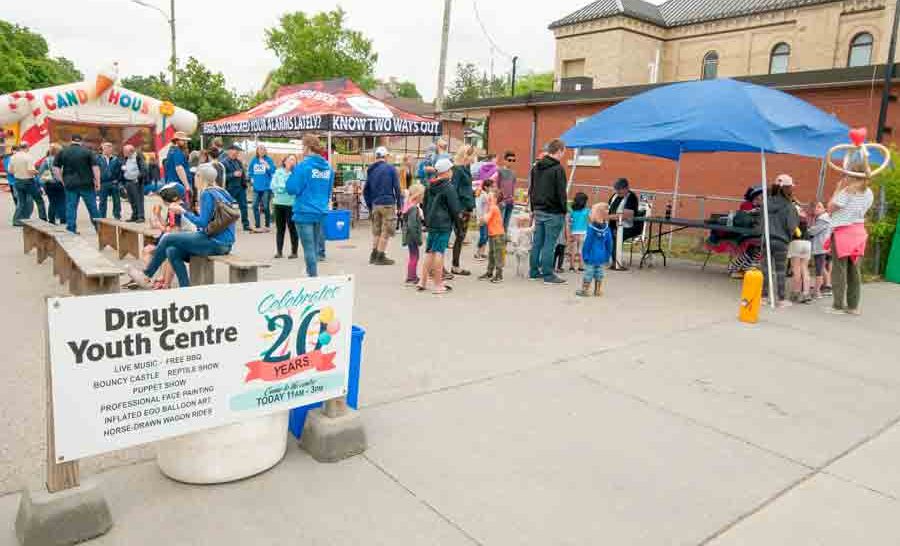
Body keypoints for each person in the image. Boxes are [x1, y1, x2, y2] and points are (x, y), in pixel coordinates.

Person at [127, 164, 236, 289]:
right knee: (172, 251)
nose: (194, 178)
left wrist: (183, 211)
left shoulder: (206, 194)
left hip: (215, 242)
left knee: (168, 238)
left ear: (200, 177)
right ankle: (185, 288)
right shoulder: (221, 191)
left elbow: (202, 223)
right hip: (225, 244)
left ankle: (146, 275)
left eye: (196, 175)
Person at [827, 163, 874, 315]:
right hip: (858, 232)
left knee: (839, 270)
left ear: (853, 175)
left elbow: (830, 208)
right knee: (854, 271)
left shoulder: (846, 191)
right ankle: (853, 306)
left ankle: (837, 306)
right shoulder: (869, 193)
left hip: (843, 232)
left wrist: (837, 189)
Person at [286, 134, 333, 278]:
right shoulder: (328, 167)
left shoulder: (303, 166)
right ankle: (310, 272)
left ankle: (313, 277)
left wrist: (291, 173)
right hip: (320, 211)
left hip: (304, 212)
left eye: (302, 146)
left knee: (309, 249)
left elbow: (292, 189)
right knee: (314, 247)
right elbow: (328, 190)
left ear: (307, 147)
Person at [528, 138, 569, 284]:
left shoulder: (536, 167)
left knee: (537, 243)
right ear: (559, 151)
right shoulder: (558, 169)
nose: (564, 155)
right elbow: (561, 193)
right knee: (549, 244)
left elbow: (532, 189)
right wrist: (564, 210)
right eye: (563, 152)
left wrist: (533, 208)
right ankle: (548, 275)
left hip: (538, 209)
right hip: (554, 212)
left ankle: (533, 272)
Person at [420, 158, 460, 294]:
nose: (452, 172)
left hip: (432, 222)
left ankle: (422, 281)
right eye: (451, 169)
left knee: (429, 251)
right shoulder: (448, 187)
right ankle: (438, 284)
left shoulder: (430, 185)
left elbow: (424, 205)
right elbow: (454, 208)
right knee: (439, 252)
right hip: (443, 223)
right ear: (447, 171)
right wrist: (458, 225)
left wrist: (427, 220)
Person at [761, 174, 800, 308]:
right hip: (781, 241)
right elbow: (792, 226)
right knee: (781, 271)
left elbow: (760, 221)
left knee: (765, 269)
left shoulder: (766, 202)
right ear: (789, 188)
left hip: (766, 239)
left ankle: (764, 297)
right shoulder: (789, 205)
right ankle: (781, 299)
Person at [140, 182, 186, 290]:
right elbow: (169, 225)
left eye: (163, 198)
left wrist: (159, 226)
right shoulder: (172, 208)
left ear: (173, 198)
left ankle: (163, 281)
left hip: (176, 242)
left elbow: (174, 233)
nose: (162, 201)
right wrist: (158, 216)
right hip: (168, 240)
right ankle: (151, 279)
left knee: (167, 253)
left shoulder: (177, 209)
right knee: (147, 250)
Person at [54, 135, 101, 234]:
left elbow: (56, 168)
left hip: (70, 184)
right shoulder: (88, 152)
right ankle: (99, 228)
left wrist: (62, 180)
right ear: (81, 142)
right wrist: (98, 182)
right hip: (87, 184)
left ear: (71, 141)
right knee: (92, 207)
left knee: (71, 207)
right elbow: (95, 168)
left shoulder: (63, 152)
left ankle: (71, 229)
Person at [363, 146, 402, 265]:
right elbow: (397, 188)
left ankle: (373, 255)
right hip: (387, 204)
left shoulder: (371, 170)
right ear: (386, 156)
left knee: (377, 231)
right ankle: (380, 256)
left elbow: (366, 190)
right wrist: (399, 205)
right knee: (386, 231)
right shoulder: (391, 168)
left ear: (376, 156)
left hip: (375, 204)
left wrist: (370, 206)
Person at [577, 203, 614, 297]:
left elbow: (587, 243)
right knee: (599, 273)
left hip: (591, 256)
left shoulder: (591, 228)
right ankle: (597, 290)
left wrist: (584, 255)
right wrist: (607, 255)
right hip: (602, 257)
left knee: (588, 273)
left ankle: (585, 290)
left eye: (591, 212)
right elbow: (609, 243)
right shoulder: (607, 229)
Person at [450, 145, 477, 275]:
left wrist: (472, 193)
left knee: (460, 237)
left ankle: (455, 265)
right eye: (473, 155)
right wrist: (457, 209)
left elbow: (464, 188)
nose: (474, 158)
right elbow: (454, 189)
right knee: (459, 236)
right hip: (461, 208)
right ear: (466, 155)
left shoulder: (466, 169)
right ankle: (455, 266)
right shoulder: (458, 169)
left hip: (467, 206)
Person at [607, 178, 642, 269]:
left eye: (620, 189)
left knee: (615, 237)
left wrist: (608, 217)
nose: (618, 191)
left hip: (628, 227)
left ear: (626, 188)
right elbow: (607, 209)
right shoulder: (615, 196)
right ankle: (598, 258)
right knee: (600, 233)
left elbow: (627, 215)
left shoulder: (631, 197)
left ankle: (616, 263)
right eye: (616, 189)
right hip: (612, 225)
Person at [271, 155, 299, 259]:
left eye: (294, 160)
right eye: (290, 159)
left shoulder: (296, 174)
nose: (292, 161)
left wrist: (281, 188)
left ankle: (294, 252)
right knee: (280, 229)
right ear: (285, 161)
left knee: (292, 228)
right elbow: (273, 186)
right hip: (278, 203)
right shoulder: (278, 172)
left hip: (291, 204)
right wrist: (284, 188)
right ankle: (279, 252)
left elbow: (295, 188)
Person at [478, 189, 506, 283]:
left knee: (498, 255)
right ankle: (489, 272)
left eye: (490, 196)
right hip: (492, 234)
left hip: (498, 235)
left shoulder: (493, 208)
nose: (488, 198)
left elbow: (485, 220)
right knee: (491, 254)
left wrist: (481, 218)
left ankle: (499, 275)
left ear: (496, 199)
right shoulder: (491, 207)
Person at [221, 144, 251, 232]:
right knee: (228, 207)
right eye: (236, 151)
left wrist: (245, 180)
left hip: (240, 187)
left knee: (244, 206)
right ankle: (226, 225)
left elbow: (242, 173)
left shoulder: (238, 162)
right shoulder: (223, 162)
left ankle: (246, 225)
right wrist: (233, 174)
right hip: (230, 188)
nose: (237, 153)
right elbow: (222, 177)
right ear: (230, 151)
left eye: (238, 152)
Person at [402, 183, 425, 287]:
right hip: (412, 236)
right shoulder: (414, 209)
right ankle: (411, 277)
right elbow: (412, 225)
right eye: (422, 195)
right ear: (418, 195)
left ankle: (412, 276)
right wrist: (417, 239)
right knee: (414, 256)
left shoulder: (408, 205)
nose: (423, 197)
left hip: (409, 235)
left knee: (413, 256)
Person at [788, 205, 813, 304]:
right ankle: (806, 293)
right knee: (805, 268)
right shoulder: (805, 218)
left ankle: (796, 292)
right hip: (807, 243)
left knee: (796, 269)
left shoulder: (792, 218)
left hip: (796, 243)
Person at [808, 202, 833, 299]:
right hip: (823, 246)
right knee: (822, 268)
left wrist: (806, 230)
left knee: (819, 269)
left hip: (820, 247)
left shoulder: (823, 219)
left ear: (824, 209)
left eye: (819, 207)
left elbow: (813, 231)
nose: (816, 208)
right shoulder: (823, 218)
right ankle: (827, 286)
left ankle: (818, 292)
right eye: (816, 207)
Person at [9, 144, 38, 226]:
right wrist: (37, 172)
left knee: (21, 202)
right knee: (29, 201)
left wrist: (19, 172)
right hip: (28, 181)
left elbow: (10, 171)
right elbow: (30, 170)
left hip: (17, 181)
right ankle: (25, 219)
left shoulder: (13, 157)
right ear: (27, 148)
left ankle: (16, 220)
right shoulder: (28, 157)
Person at [249, 145, 275, 231]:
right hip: (256, 187)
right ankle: (257, 225)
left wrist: (267, 165)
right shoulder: (254, 160)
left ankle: (267, 225)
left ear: (265, 151)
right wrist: (251, 179)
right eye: (260, 149)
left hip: (266, 187)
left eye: (263, 149)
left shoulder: (269, 160)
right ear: (257, 151)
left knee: (266, 207)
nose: (261, 151)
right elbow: (250, 171)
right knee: (254, 206)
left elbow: (273, 171)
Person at [39, 145, 66, 225]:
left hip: (49, 184)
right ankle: (63, 219)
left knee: (52, 202)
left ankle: (51, 220)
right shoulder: (62, 160)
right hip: (61, 183)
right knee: (62, 202)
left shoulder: (46, 160)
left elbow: (41, 172)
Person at [120, 144, 147, 223]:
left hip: (136, 182)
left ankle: (141, 216)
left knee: (138, 200)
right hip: (128, 181)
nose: (123, 152)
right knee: (131, 200)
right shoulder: (126, 158)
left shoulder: (138, 157)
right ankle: (134, 216)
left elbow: (144, 169)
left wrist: (138, 178)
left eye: (125, 151)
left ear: (130, 151)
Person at [165, 132, 193, 206]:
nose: (185, 142)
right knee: (181, 208)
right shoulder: (178, 152)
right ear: (177, 140)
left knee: (174, 208)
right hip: (179, 185)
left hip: (172, 183)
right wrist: (187, 185)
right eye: (183, 140)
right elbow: (179, 168)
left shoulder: (171, 151)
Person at [96, 142, 123, 220]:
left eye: (109, 148)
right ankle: (102, 216)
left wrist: (117, 180)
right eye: (105, 148)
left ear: (111, 149)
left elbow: (120, 171)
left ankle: (117, 215)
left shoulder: (116, 159)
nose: (107, 150)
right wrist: (97, 181)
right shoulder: (98, 159)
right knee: (102, 201)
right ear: (103, 149)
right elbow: (95, 170)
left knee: (116, 200)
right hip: (103, 183)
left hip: (114, 182)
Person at [568, 192, 590, 272]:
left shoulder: (572, 211)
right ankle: (581, 266)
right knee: (581, 249)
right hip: (583, 232)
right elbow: (589, 221)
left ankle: (572, 266)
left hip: (574, 232)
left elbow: (569, 221)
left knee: (573, 250)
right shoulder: (587, 210)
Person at [473, 178, 493, 261]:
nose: (492, 188)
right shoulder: (481, 194)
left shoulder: (488, 194)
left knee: (486, 236)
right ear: (485, 187)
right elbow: (478, 207)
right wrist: (480, 218)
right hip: (482, 218)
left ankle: (482, 252)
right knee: (483, 236)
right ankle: (478, 253)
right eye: (491, 186)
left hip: (488, 218)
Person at [497, 151, 517, 232]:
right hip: (502, 202)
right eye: (509, 160)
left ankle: (504, 237)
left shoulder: (513, 173)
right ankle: (498, 238)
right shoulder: (499, 171)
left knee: (506, 224)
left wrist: (513, 199)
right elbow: (497, 186)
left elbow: (513, 187)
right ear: (504, 160)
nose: (511, 162)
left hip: (510, 202)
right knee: (499, 224)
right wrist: (500, 199)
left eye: (513, 160)